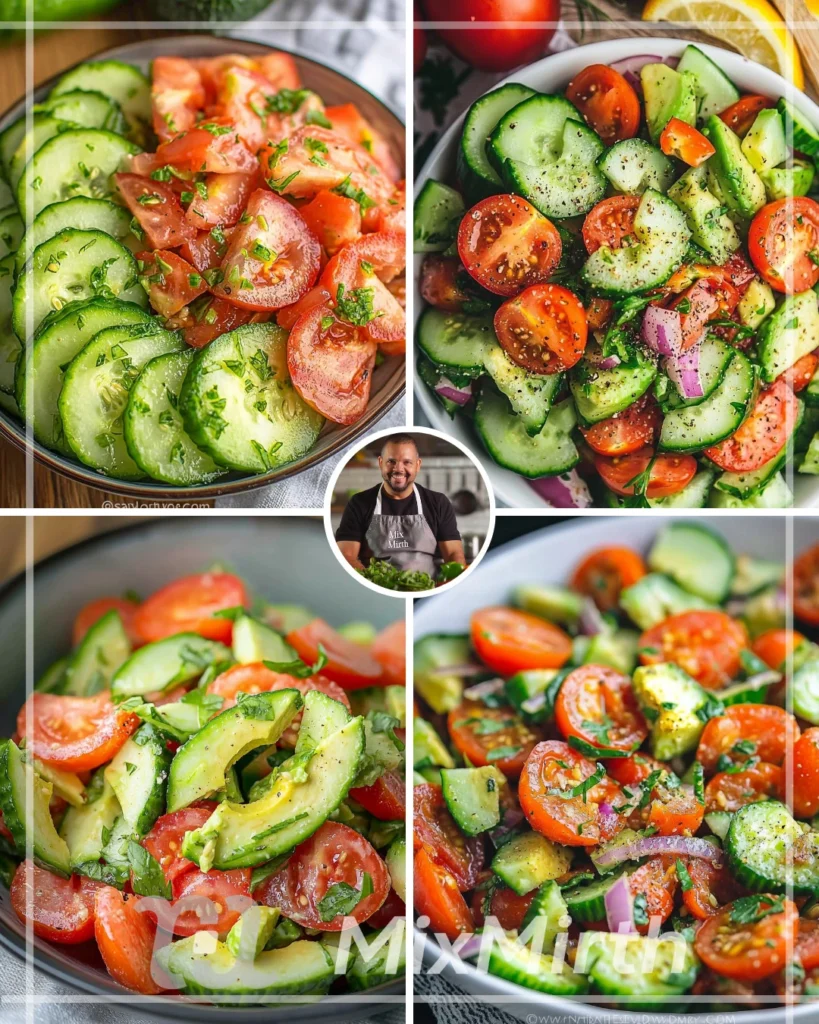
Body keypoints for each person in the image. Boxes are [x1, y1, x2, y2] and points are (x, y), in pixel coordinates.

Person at [335, 434, 466, 580]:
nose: (398, 469)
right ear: (380, 463)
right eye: (391, 461)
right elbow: (346, 555)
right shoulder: (359, 503)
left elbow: (454, 554)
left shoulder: (438, 502)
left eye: (407, 462)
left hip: (427, 586)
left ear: (417, 465)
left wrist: (452, 581)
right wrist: (374, 582)